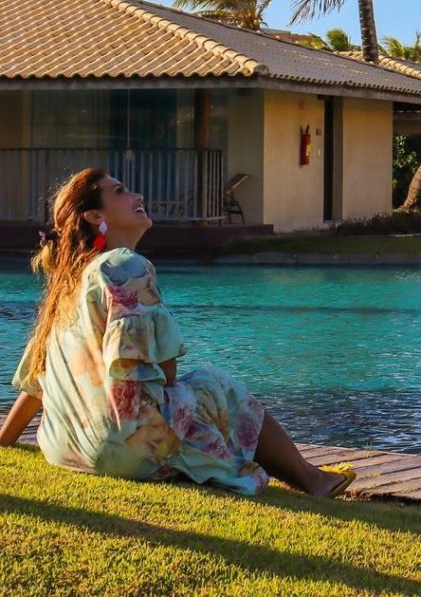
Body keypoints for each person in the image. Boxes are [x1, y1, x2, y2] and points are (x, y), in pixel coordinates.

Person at [0, 167, 354, 498]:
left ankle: (278, 469)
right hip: (122, 451)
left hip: (65, 449)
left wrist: (4, 441)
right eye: (120, 191)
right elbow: (165, 374)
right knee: (214, 384)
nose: (137, 195)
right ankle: (311, 479)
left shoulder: (65, 286)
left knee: (190, 399)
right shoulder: (126, 266)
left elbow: (36, 383)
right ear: (96, 217)